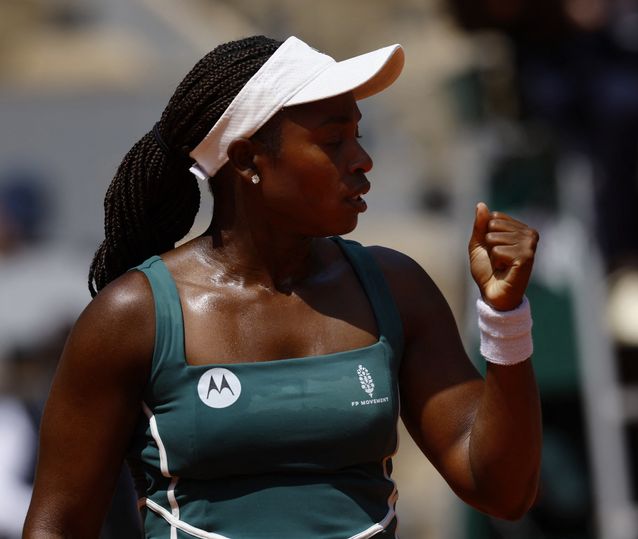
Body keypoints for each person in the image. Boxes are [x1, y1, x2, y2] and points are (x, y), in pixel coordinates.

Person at [22, 35, 541, 538]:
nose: (361, 160)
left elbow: (502, 491)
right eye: (334, 140)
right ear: (248, 160)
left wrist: (507, 318)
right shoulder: (135, 316)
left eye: (359, 135)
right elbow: (58, 526)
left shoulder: (396, 289)